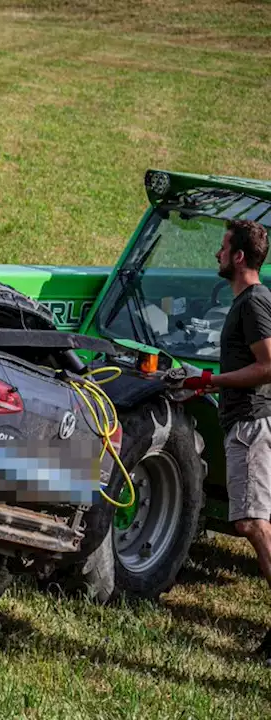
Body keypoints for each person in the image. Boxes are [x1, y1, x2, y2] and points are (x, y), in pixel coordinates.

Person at [176, 219, 271, 663]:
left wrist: (214, 380)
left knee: (252, 524)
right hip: (243, 420)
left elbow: (268, 365)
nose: (216, 254)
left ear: (237, 256)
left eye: (221, 247)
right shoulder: (245, 302)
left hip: (251, 424)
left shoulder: (254, 303)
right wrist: (210, 385)